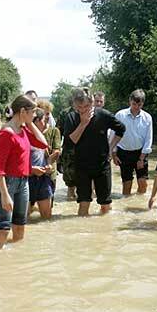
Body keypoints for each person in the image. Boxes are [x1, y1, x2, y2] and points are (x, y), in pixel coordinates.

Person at [0, 95, 48, 249]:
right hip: (7, 184)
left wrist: (30, 124)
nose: (35, 115)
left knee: (20, 227)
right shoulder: (6, 133)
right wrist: (4, 194)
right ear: (23, 111)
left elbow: (43, 143)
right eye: (33, 111)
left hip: (23, 182)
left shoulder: (22, 130)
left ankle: (14, 265)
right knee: (3, 229)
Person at [65, 87, 125, 216]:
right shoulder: (71, 117)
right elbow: (71, 142)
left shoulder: (103, 115)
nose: (83, 110)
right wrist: (83, 123)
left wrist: (111, 147)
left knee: (105, 205)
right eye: (79, 107)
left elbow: (121, 129)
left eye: (86, 106)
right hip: (81, 166)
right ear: (74, 105)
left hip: (102, 165)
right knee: (83, 204)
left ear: (91, 102)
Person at [111, 89, 153, 195]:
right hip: (123, 153)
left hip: (140, 153)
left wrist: (141, 158)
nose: (136, 107)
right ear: (130, 101)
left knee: (143, 183)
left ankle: (139, 206)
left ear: (142, 103)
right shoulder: (120, 115)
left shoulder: (147, 117)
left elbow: (149, 139)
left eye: (139, 104)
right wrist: (114, 154)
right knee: (127, 184)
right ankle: (126, 205)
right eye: (134, 104)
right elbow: (113, 135)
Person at [28, 108, 55, 219]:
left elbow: (45, 156)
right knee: (23, 220)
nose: (46, 123)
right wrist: (32, 169)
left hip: (43, 179)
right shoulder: (24, 136)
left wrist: (48, 165)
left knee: (46, 218)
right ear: (37, 121)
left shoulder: (41, 137)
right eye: (44, 120)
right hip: (27, 180)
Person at [36, 100, 62, 196]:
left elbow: (56, 151)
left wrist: (50, 159)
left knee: (48, 205)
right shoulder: (29, 131)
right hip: (33, 173)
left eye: (48, 114)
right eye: (43, 114)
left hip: (49, 172)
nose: (46, 117)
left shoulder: (54, 131)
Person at [57, 101, 78, 200]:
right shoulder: (65, 114)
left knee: (87, 183)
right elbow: (58, 132)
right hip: (69, 151)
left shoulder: (89, 112)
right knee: (70, 182)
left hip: (86, 150)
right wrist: (57, 148)